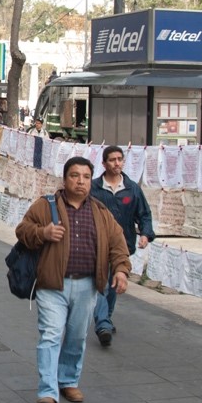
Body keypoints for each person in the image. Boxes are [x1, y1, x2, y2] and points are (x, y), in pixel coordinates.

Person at [15, 157, 130, 403]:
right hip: (52, 285)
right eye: (75, 176)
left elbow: (117, 243)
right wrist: (42, 233)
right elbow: (22, 230)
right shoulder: (46, 206)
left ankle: (68, 380)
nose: (81, 181)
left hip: (87, 285)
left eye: (86, 177)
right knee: (51, 335)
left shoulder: (100, 211)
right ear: (64, 179)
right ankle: (47, 391)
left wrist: (121, 270)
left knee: (77, 337)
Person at [90, 145, 153, 346]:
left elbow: (144, 214)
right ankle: (103, 324)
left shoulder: (132, 189)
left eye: (120, 159)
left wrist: (145, 234)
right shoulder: (93, 188)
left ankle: (106, 317)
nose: (117, 163)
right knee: (101, 283)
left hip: (122, 244)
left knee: (115, 281)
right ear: (104, 163)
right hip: (97, 244)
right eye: (112, 160)